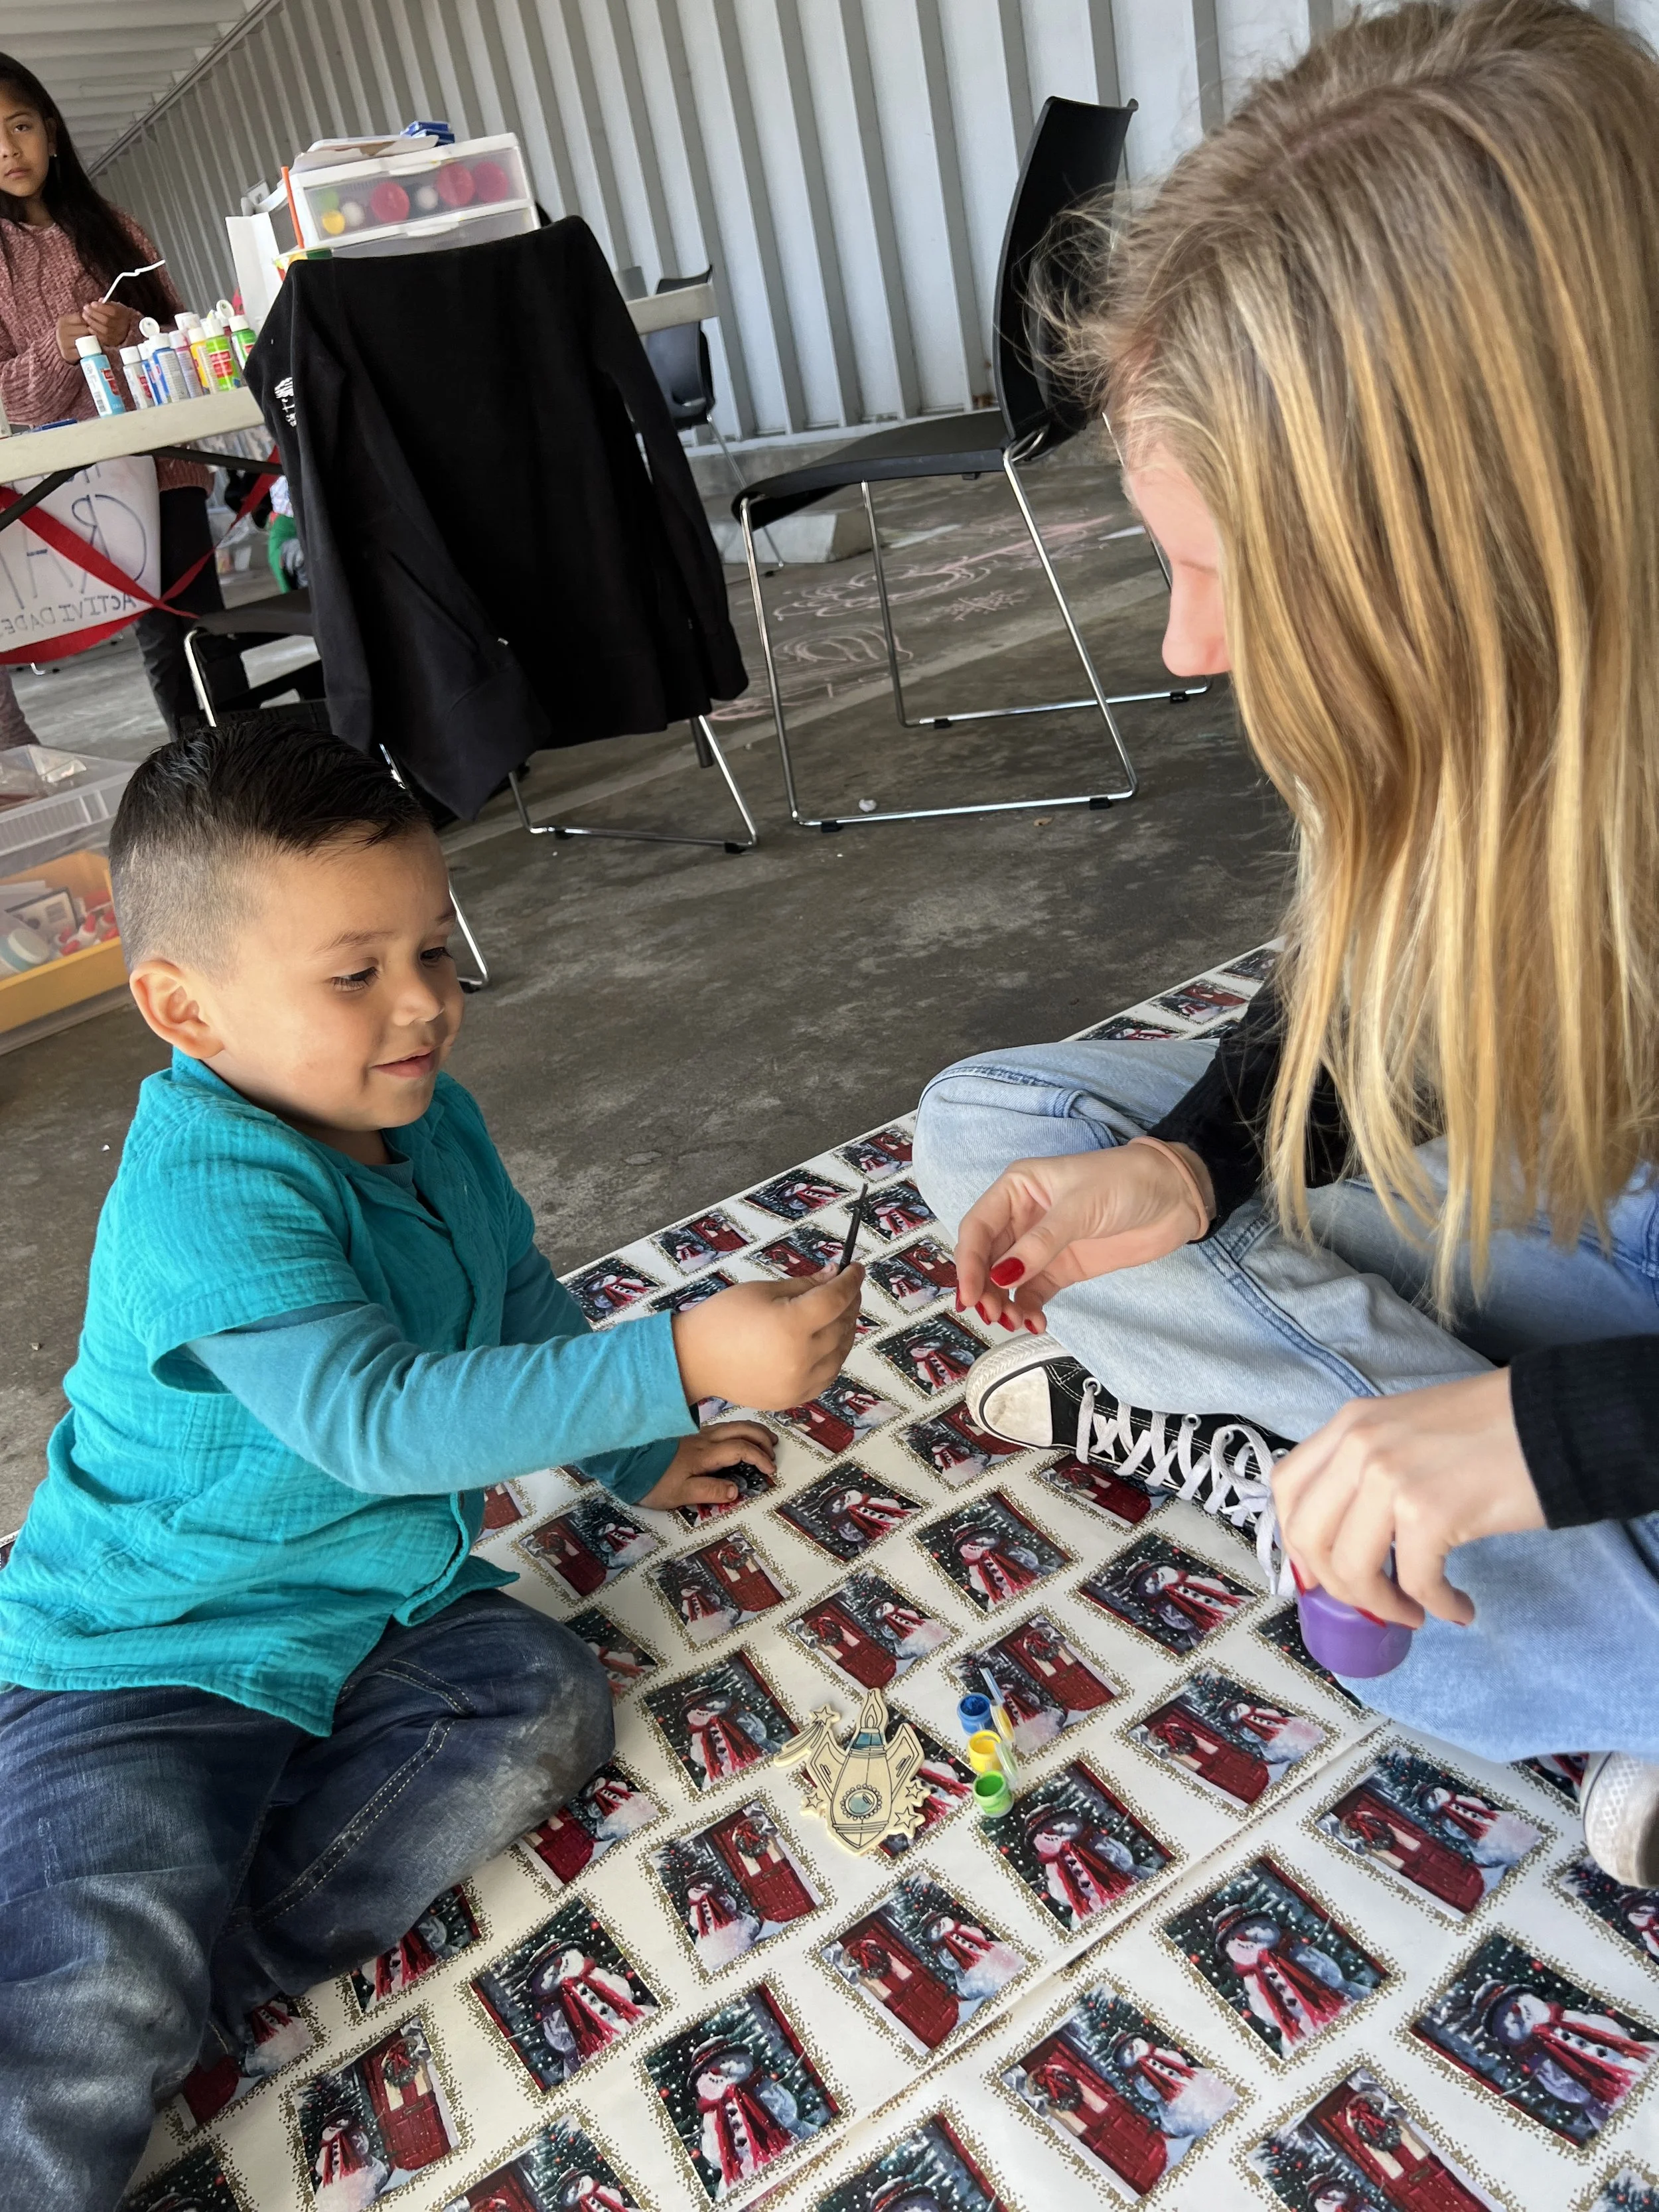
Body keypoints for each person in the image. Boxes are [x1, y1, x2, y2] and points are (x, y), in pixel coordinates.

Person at [912, 0, 1659, 1887]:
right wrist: (1193, 1155)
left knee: (1426, 1553)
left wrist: (1540, 1438)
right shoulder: (1497, 706)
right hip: (1527, 1206)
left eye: (1228, 577)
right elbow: (1361, 998)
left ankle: (1358, 1479)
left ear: (1474, 541)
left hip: (1594, 1289)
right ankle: (1339, 1444)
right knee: (996, 1118)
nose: (1183, 650)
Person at [0, 723, 863, 2209]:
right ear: (180, 1007)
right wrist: (684, 1354)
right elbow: (377, 1418)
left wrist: (640, 1441)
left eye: (435, 950)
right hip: (147, 1651)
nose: (421, 1005)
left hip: (367, 1607)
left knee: (543, 1704)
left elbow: (511, 1293)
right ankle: (124, 1970)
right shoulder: (205, 1187)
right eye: (356, 973)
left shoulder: (428, 1114)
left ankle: (193, 1968)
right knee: (80, 2003)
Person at [0, 53, 244, 729]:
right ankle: (207, 793)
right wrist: (60, 346)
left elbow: (181, 350)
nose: (7, 149)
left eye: (19, 125)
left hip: (168, 467)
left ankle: (258, 782)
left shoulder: (118, 228)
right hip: (82, 487)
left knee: (205, 629)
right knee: (163, 640)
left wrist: (133, 330)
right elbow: (17, 403)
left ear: (50, 129)